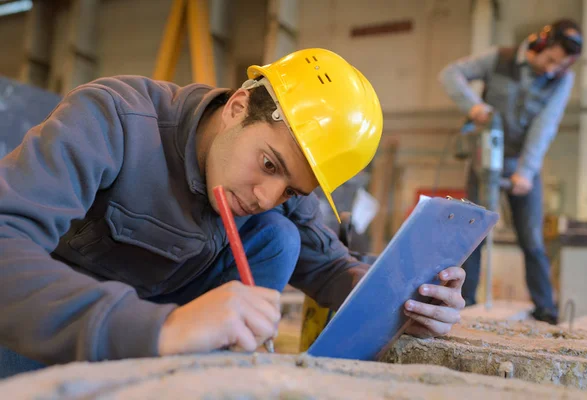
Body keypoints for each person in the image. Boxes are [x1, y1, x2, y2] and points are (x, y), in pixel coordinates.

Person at [0, 48, 467, 378]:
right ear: (238, 106)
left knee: (278, 237)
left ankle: (214, 373)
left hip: (157, 336)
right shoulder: (113, 118)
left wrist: (406, 296)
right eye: (268, 165)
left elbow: (329, 267)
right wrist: (162, 328)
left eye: (290, 190)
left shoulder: (276, 190)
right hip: (50, 325)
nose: (266, 196)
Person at [439, 19, 583, 324]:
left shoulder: (562, 79)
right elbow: (450, 73)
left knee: (532, 238)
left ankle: (546, 312)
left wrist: (526, 172)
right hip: (484, 156)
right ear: (540, 45)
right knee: (475, 234)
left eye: (561, 66)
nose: (552, 70)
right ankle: (467, 303)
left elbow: (545, 126)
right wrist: (473, 106)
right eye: (551, 60)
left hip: (522, 164)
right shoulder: (500, 58)